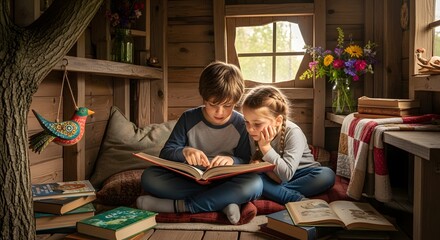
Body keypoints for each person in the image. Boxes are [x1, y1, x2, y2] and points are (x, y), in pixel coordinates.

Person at [136, 61, 263, 224]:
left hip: (225, 180)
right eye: (213, 104)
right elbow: (166, 153)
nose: (220, 112)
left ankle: (182, 206)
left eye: (227, 105)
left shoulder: (240, 123)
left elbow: (245, 159)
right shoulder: (189, 118)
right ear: (203, 98)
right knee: (149, 176)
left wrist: (232, 161)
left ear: (236, 101)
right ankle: (224, 201)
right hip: (189, 179)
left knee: (256, 183)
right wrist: (185, 151)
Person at [240, 85, 335, 204]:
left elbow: (286, 175)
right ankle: (289, 196)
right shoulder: (252, 133)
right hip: (271, 177)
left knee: (327, 175)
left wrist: (265, 147)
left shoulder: (293, 132)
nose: (250, 129)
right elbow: (256, 163)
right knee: (252, 178)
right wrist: (257, 167)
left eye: (257, 124)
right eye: (246, 122)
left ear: (278, 121)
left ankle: (277, 194)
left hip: (302, 174)